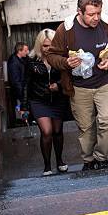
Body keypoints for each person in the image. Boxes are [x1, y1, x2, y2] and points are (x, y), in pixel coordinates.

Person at [47, 0, 108, 171]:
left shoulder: (106, 23)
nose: (95, 18)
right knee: (86, 127)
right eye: (91, 14)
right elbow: (51, 55)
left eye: (98, 12)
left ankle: (101, 157)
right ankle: (89, 161)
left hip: (105, 82)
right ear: (79, 12)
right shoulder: (65, 29)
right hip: (79, 87)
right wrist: (66, 62)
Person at [24, 29, 70, 176]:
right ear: (39, 45)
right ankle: (47, 166)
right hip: (38, 100)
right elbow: (25, 84)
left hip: (57, 100)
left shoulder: (61, 58)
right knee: (47, 131)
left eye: (50, 45)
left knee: (57, 131)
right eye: (44, 46)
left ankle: (60, 161)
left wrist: (59, 85)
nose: (48, 49)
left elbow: (68, 77)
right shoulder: (31, 60)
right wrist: (24, 105)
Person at [8, 42, 29, 120]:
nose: (27, 52)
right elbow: (16, 81)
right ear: (19, 51)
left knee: (23, 110)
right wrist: (22, 96)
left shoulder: (20, 59)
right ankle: (22, 122)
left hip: (21, 90)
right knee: (21, 111)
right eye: (25, 50)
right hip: (18, 93)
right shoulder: (14, 62)